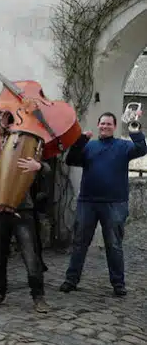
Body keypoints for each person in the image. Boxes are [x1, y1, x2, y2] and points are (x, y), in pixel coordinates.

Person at [60, 112, 147, 296]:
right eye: (102, 123)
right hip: (88, 202)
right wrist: (81, 141)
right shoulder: (89, 146)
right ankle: (71, 280)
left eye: (109, 124)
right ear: (98, 125)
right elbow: (71, 160)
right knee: (80, 243)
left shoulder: (123, 146)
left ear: (114, 127)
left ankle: (118, 284)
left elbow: (141, 149)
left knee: (114, 245)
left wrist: (134, 126)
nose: (105, 126)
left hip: (115, 204)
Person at [0, 125, 50, 312]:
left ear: (3, 138)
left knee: (30, 256)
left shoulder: (20, 157)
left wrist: (39, 165)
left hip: (22, 211)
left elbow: (47, 171)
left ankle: (38, 297)